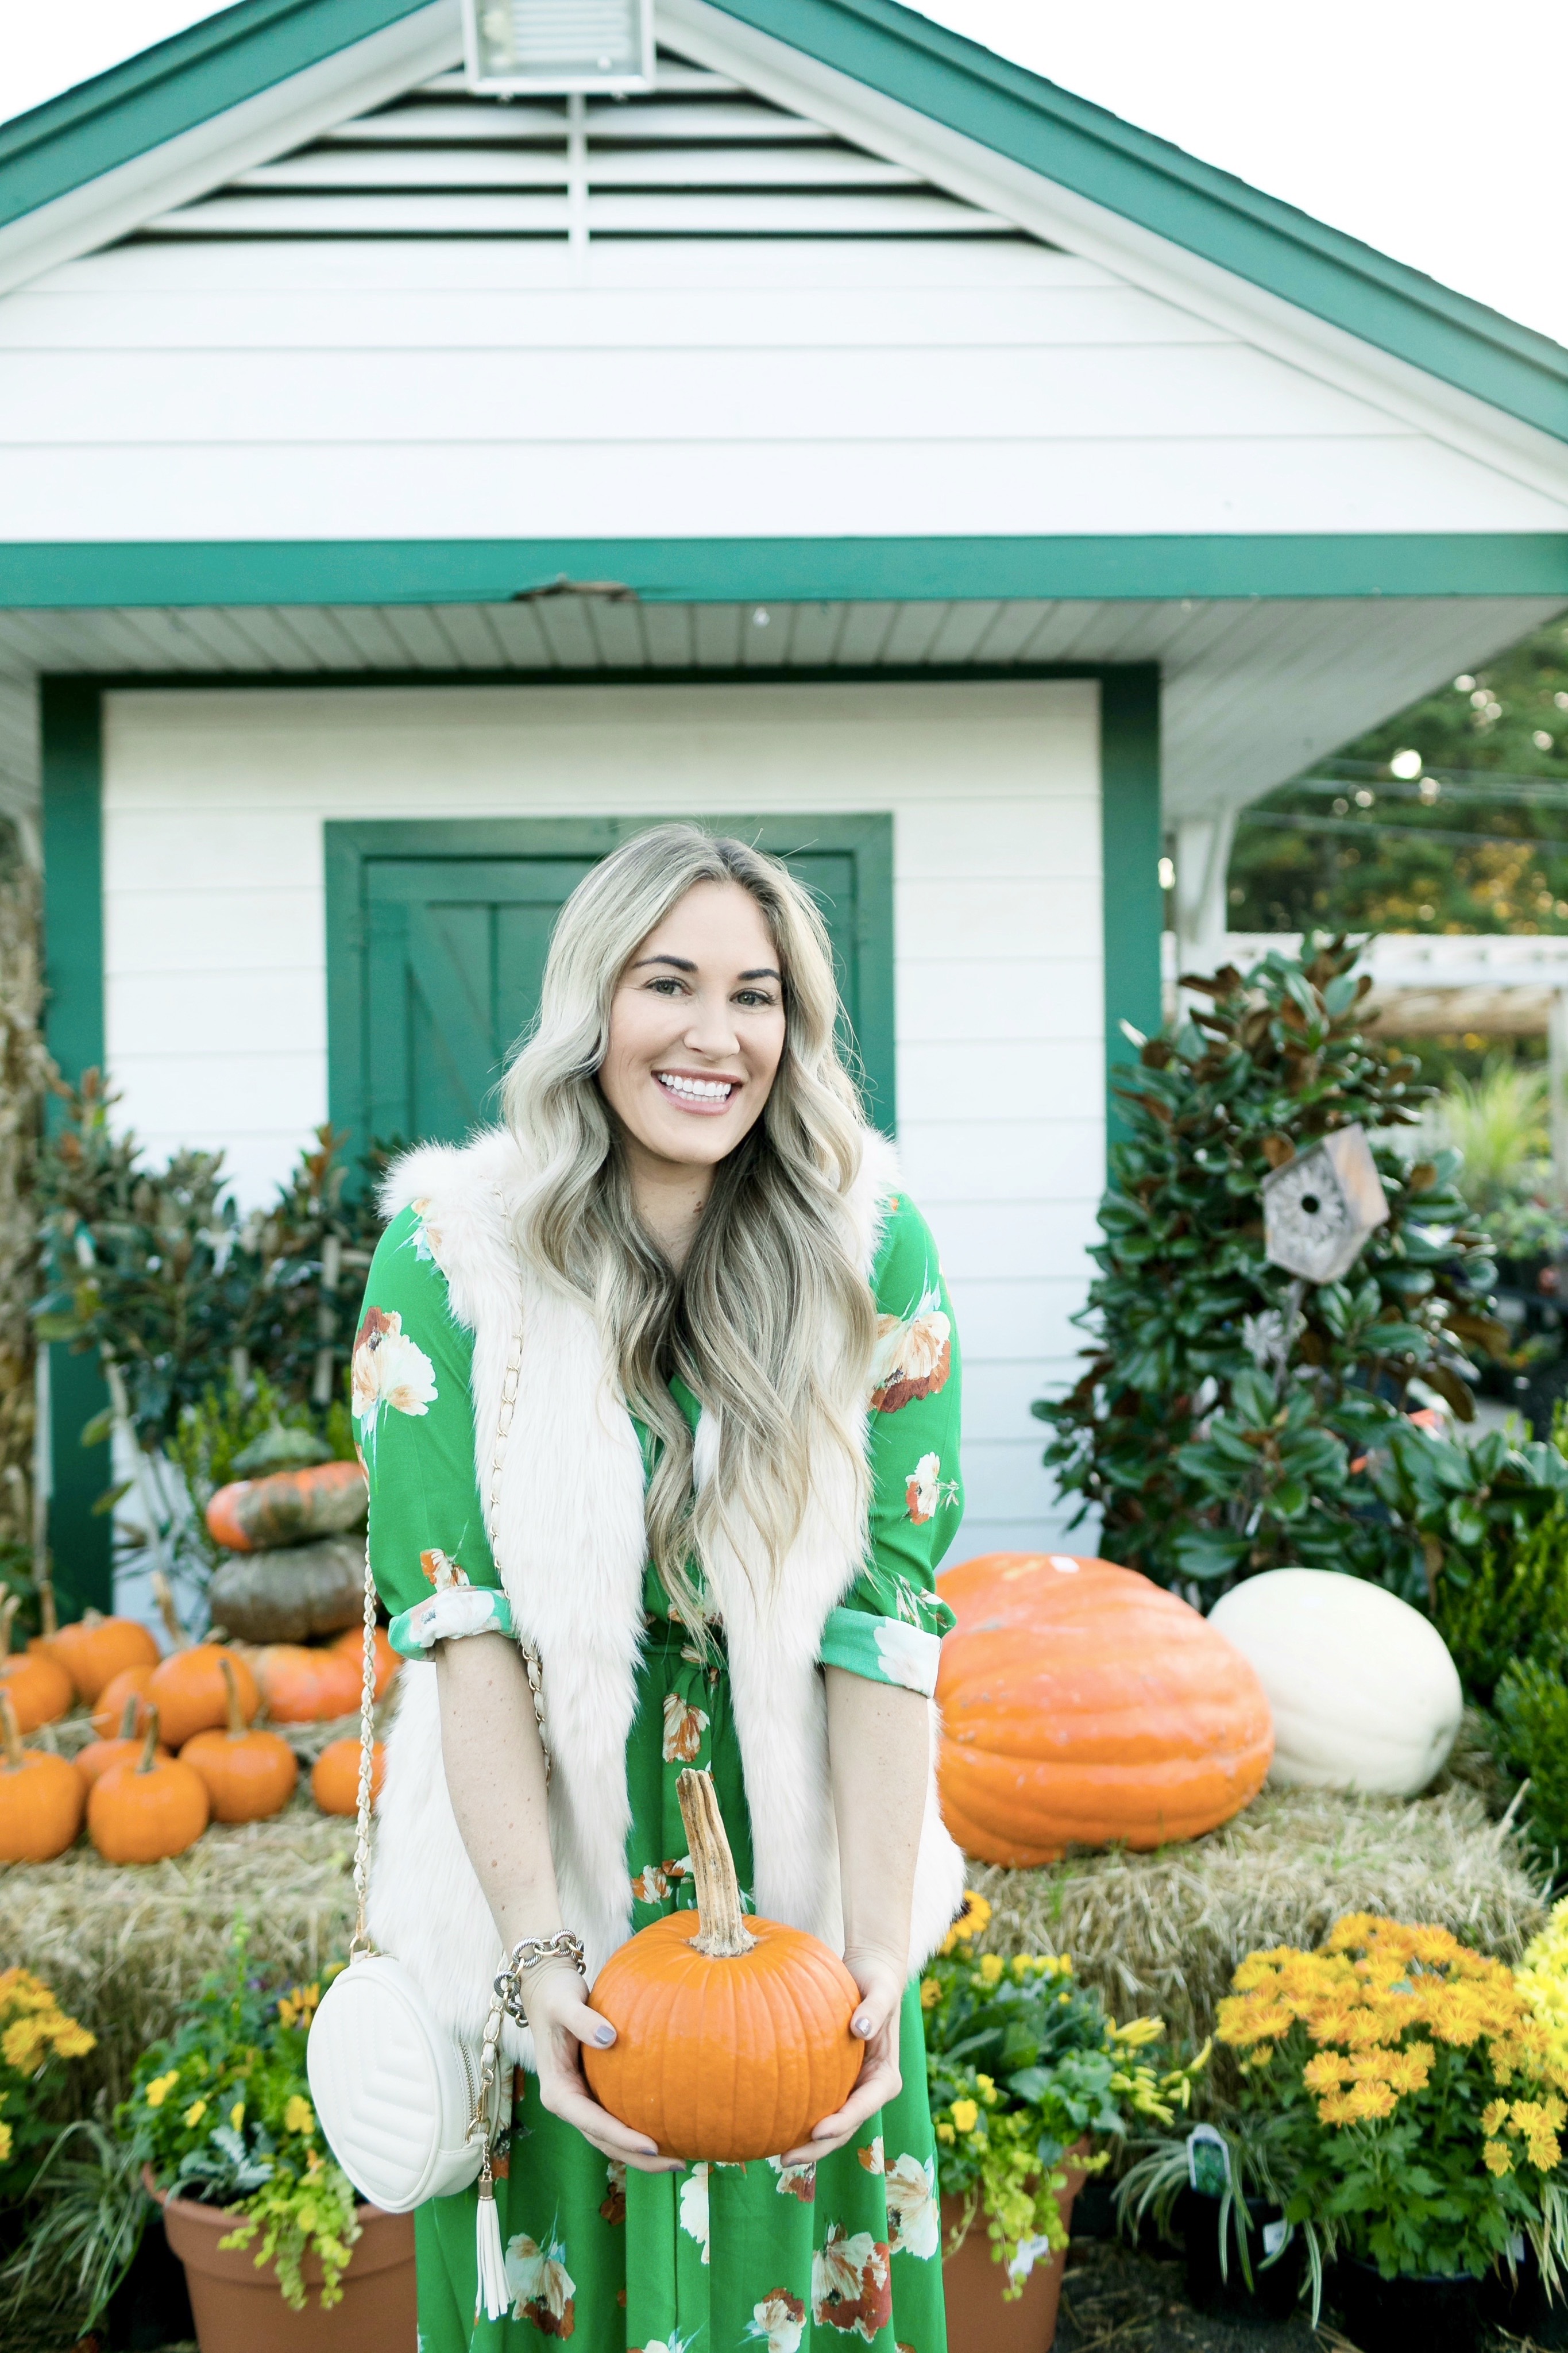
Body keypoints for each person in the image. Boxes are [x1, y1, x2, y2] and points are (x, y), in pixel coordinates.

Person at [354, 825, 966, 2352]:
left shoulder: (871, 1247)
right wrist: (536, 1959)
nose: (714, 1036)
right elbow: (458, 1624)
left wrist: (871, 1952)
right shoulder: (448, 1260)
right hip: (541, 1867)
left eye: (755, 995)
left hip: (794, 1902)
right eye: (667, 983)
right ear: (590, 1007)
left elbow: (886, 1618)